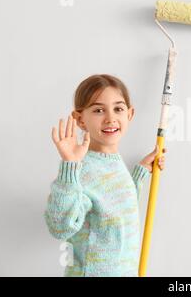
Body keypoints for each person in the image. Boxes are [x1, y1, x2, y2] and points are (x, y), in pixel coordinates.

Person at [44, 74, 166, 276]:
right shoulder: (82, 170)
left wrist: (141, 171)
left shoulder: (113, 163)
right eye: (99, 110)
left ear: (130, 114)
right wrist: (70, 166)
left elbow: (118, 208)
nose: (111, 118)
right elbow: (60, 227)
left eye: (118, 108)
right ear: (80, 120)